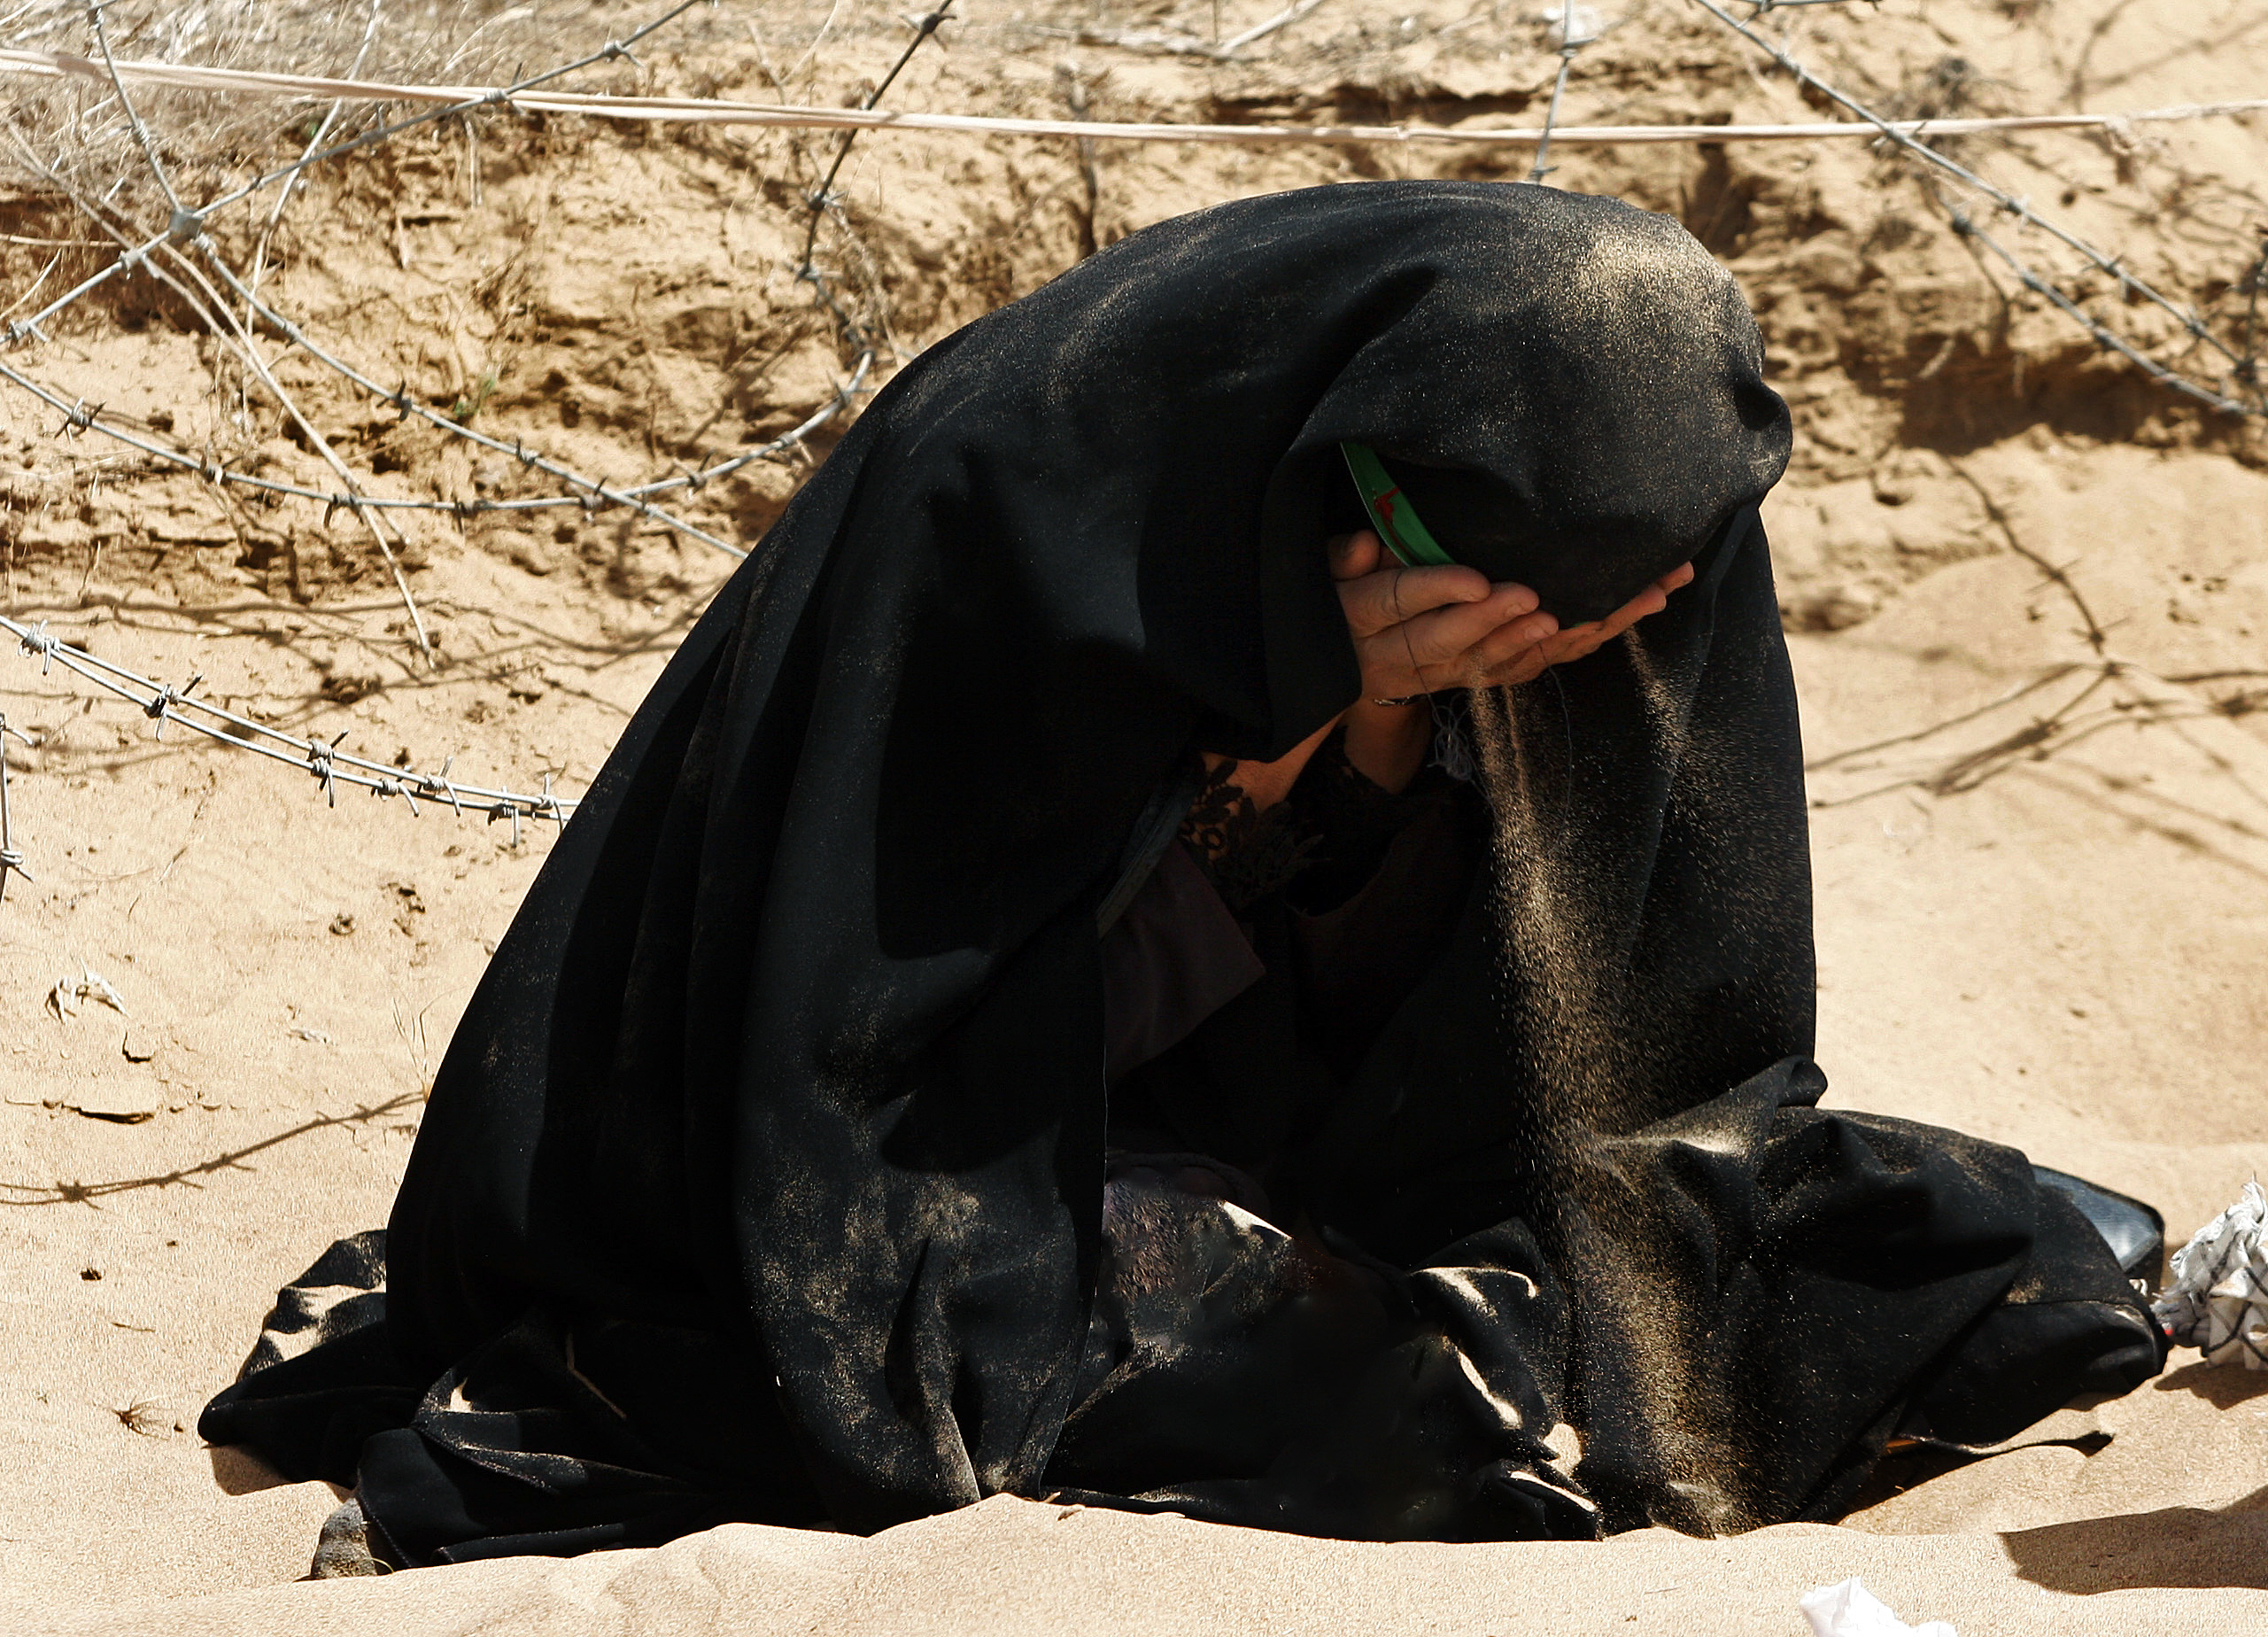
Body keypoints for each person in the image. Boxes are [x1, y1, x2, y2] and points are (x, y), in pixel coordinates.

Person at [202, 181, 2164, 1571]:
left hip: (1348, 1170)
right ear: (1347, 486)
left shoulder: (1618, 554)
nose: (1584, 662)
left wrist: (1418, 736)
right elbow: (881, 1074)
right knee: (1380, 1388)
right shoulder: (1009, 505)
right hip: (960, 1179)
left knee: (1923, 1257)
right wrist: (1267, 738)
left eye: (1632, 622)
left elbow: (1645, 1063)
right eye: (1536, 624)